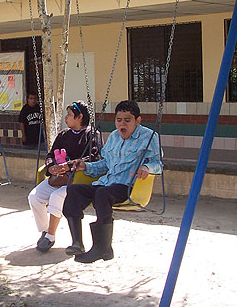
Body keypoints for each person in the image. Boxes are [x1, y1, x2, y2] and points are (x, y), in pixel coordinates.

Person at [63, 100, 162, 263]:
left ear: (138, 120)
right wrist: (86, 166)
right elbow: (105, 164)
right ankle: (77, 243)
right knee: (74, 190)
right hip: (107, 184)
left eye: (127, 120)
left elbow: (158, 164)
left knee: (102, 194)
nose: (122, 124)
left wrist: (147, 167)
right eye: (119, 120)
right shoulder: (114, 137)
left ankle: (103, 248)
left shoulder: (149, 137)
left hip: (128, 187)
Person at [27, 101, 102, 252]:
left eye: (69, 115)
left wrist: (69, 165)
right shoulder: (63, 134)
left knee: (56, 197)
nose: (66, 118)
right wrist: (51, 167)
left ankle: (50, 236)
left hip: (79, 180)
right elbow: (51, 154)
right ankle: (45, 230)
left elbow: (94, 157)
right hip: (59, 178)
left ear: (79, 117)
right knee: (34, 197)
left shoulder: (92, 134)